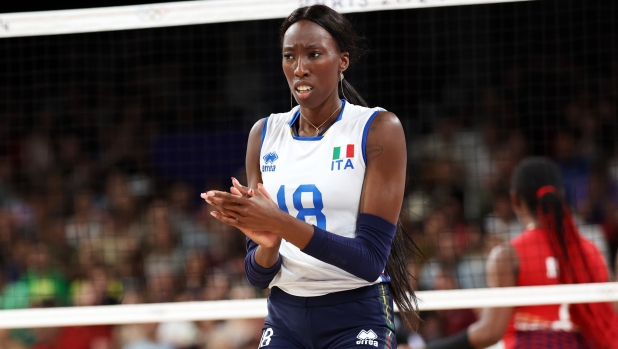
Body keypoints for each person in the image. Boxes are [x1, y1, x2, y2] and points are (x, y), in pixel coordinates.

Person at [201, 5, 419, 348]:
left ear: (342, 61)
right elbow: (258, 276)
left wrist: (280, 223)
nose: (299, 68)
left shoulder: (377, 128)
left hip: (356, 313)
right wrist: (268, 244)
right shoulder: (264, 133)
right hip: (285, 316)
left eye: (314, 54)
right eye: (290, 56)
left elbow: (369, 261)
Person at [427, 157, 618, 349]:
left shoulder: (508, 256)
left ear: (515, 199)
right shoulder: (592, 252)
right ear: (560, 195)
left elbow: (490, 333)